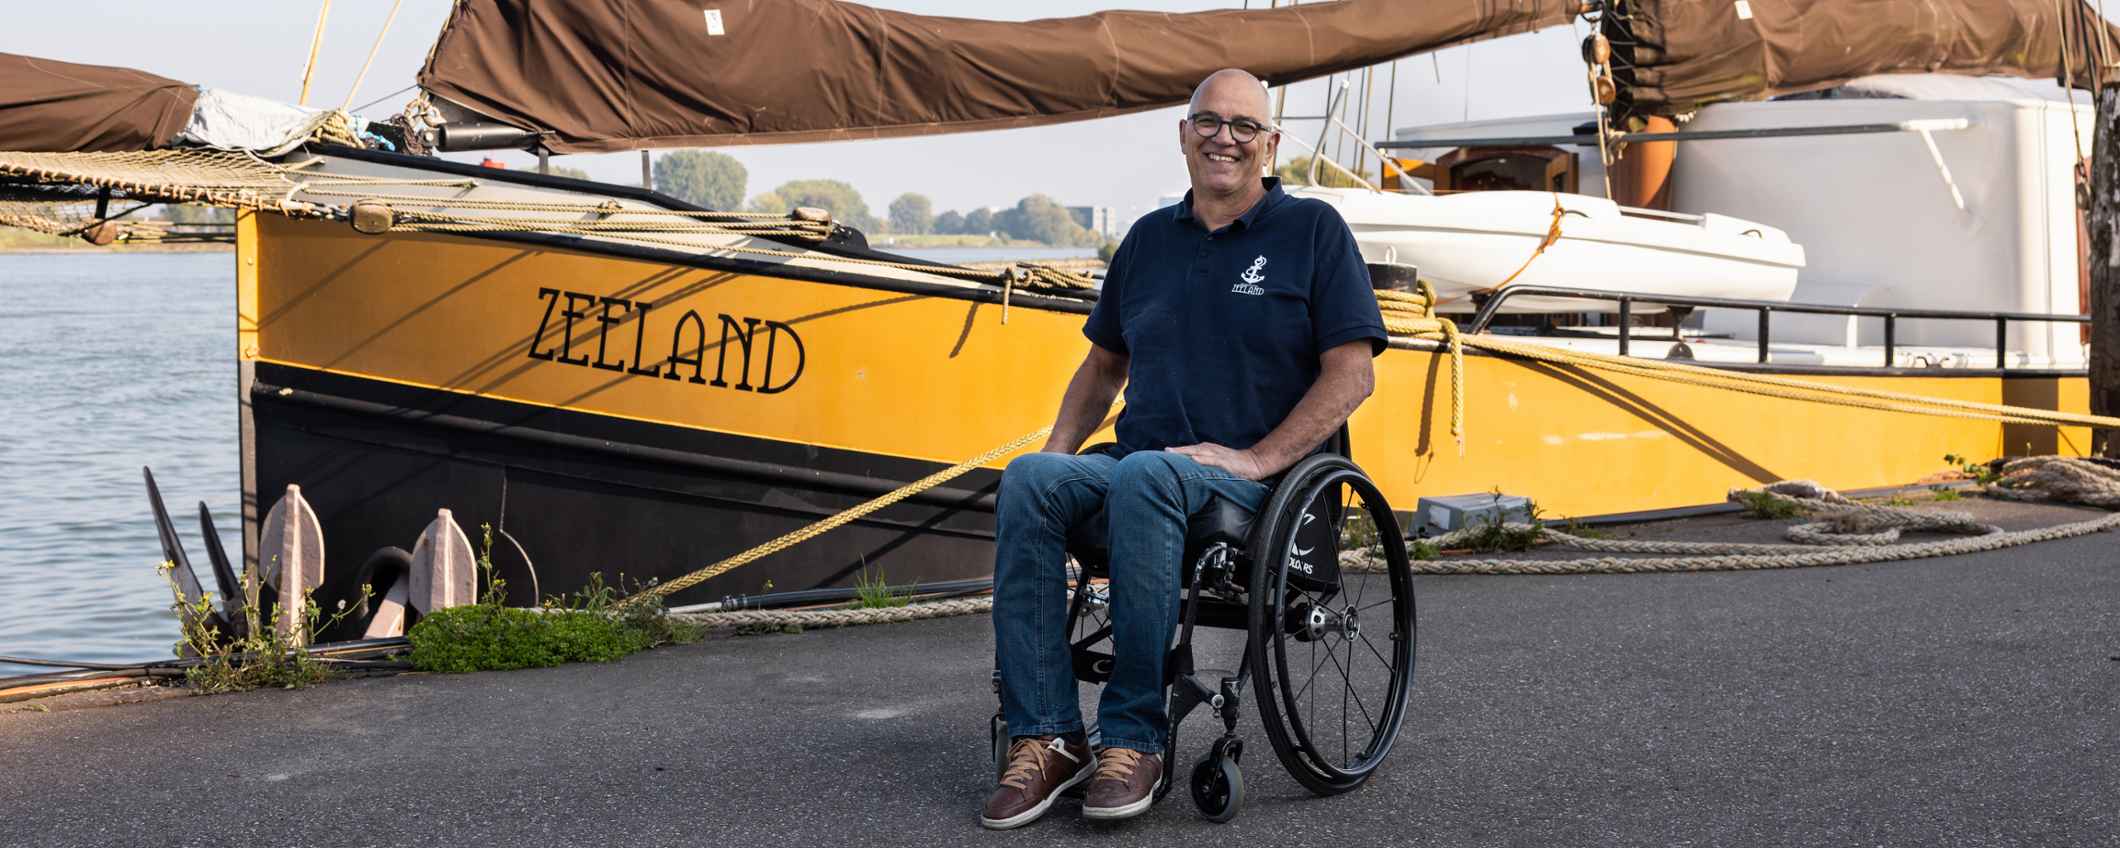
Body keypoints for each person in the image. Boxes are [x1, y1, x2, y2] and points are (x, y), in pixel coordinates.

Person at [980, 68, 1388, 829]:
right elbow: (1104, 365)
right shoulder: (1147, 241)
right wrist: (1061, 456)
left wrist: (1260, 459)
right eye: (1208, 122)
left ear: (1268, 144)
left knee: (1145, 476)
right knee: (1030, 479)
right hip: (1146, 466)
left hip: (1251, 483)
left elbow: (1353, 373)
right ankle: (1049, 738)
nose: (1223, 138)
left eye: (1243, 126)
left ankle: (1135, 737)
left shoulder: (1311, 233)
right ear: (1183, 134)